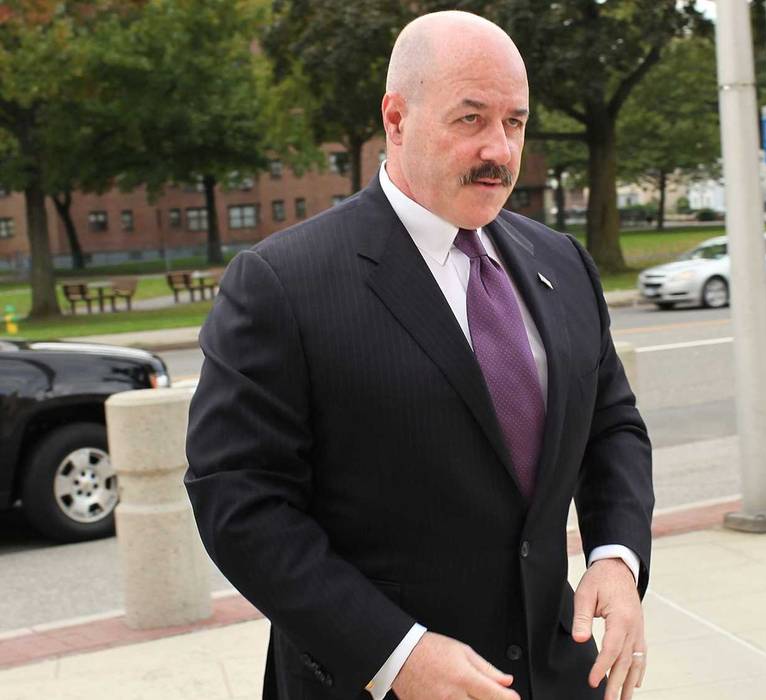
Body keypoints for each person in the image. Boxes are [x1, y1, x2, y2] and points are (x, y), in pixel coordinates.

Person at [184, 11, 653, 700]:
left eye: (515, 122)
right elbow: (238, 501)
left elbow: (610, 426)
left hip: (558, 675)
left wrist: (616, 557)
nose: (499, 149)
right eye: (470, 119)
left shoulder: (562, 262)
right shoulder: (281, 283)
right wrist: (393, 654)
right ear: (396, 118)